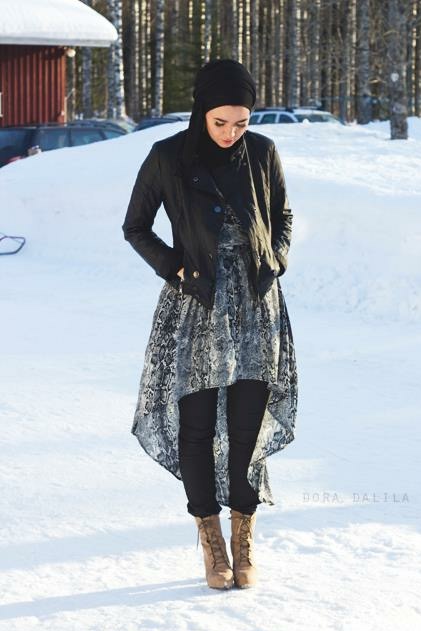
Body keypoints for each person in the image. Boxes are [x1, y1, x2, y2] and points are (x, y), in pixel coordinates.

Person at [122, 58, 298, 591]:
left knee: (247, 423)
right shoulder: (167, 156)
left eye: (241, 123)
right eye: (220, 122)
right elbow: (135, 227)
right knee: (196, 426)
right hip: (196, 306)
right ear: (202, 112)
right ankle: (211, 539)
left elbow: (283, 217)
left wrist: (275, 260)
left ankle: (243, 533)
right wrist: (175, 268)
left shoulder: (263, 152)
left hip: (255, 307)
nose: (230, 133)